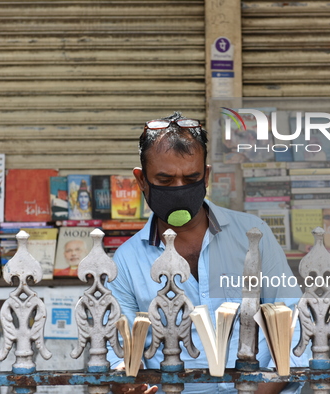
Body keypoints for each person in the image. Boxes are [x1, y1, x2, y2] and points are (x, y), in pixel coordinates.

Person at [106, 112, 309, 394]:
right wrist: (126, 383)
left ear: (207, 176)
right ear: (141, 181)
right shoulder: (126, 262)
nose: (179, 189)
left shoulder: (254, 235)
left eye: (191, 178)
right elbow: (116, 351)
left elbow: (294, 322)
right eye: (165, 180)